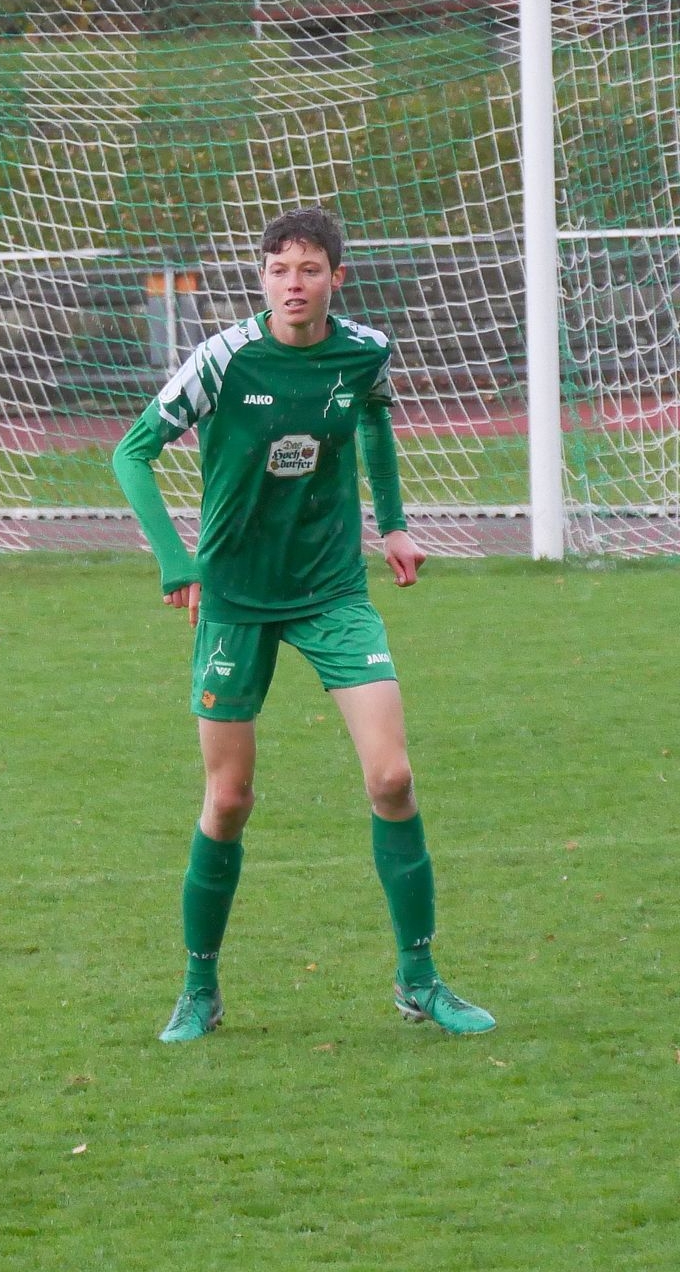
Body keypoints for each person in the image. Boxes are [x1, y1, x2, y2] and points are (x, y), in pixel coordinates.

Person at [112, 205, 496, 1044]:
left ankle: (419, 979)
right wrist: (176, 561)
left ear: (335, 278)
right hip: (235, 598)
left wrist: (393, 524)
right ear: (262, 278)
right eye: (280, 269)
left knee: (393, 778)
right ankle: (200, 989)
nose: (294, 284)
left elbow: (375, 416)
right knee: (229, 799)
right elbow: (130, 451)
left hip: (331, 591)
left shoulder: (364, 351)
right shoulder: (223, 358)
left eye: (310, 269)